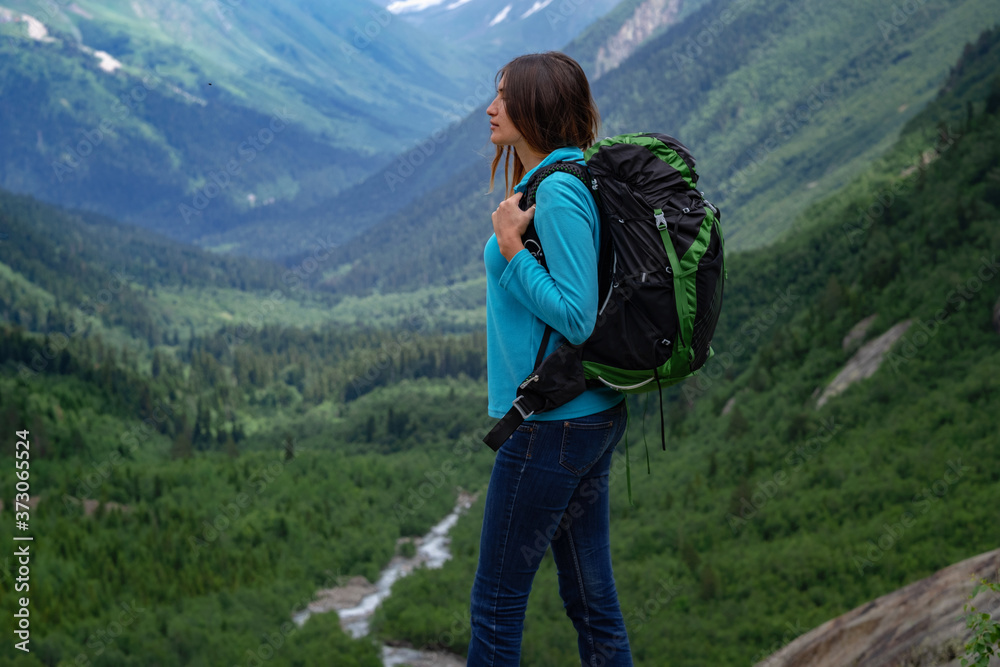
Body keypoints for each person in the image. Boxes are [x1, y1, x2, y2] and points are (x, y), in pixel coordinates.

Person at [468, 51, 633, 667]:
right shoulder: (564, 177)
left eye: (505, 97)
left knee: (496, 607)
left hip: (549, 429)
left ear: (535, 109)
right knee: (593, 603)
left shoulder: (559, 191)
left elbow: (577, 316)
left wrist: (511, 248)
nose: (491, 108)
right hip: (586, 415)